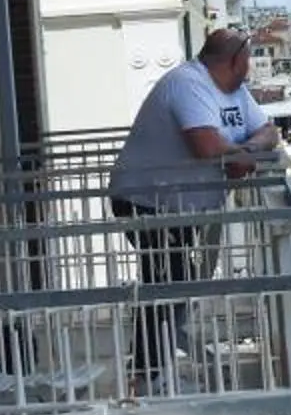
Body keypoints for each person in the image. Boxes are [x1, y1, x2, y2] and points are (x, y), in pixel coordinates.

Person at [108, 30, 280, 381]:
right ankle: (146, 372)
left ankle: (152, 366)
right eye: (248, 60)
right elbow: (205, 144)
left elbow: (269, 131)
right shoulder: (188, 84)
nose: (249, 68)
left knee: (172, 278)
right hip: (146, 202)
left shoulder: (235, 91)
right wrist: (244, 153)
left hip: (181, 207)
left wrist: (248, 150)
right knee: (168, 278)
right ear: (235, 60)